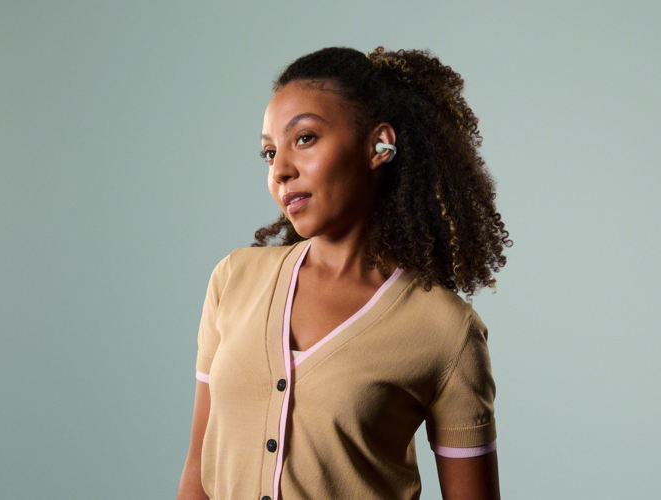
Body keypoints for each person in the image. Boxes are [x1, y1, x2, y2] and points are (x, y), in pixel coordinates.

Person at [177, 45, 513, 500]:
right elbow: (198, 470)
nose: (280, 170)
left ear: (378, 146)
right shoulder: (234, 279)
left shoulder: (446, 330)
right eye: (269, 152)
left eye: (305, 138)